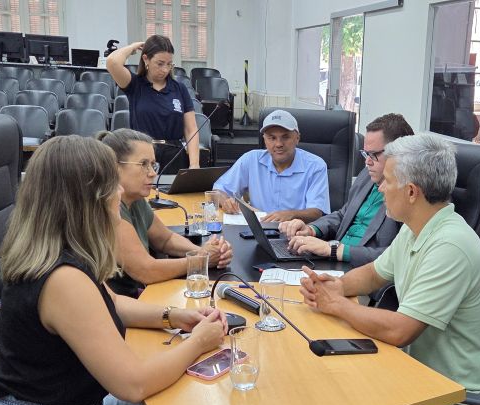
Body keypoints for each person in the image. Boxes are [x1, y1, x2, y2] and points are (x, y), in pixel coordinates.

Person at [0, 135, 228, 405]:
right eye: (111, 185)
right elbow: (133, 384)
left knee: (178, 402)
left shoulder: (60, 252)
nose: (118, 194)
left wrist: (172, 315)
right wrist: (198, 342)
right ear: (88, 198)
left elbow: (113, 305)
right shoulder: (64, 279)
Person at [297, 134, 480, 405]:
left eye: (387, 181)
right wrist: (337, 286)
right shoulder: (417, 228)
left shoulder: (450, 246)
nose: (379, 188)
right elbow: (375, 274)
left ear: (412, 191)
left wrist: (335, 304)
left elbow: (400, 330)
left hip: (454, 400)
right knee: (329, 383)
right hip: (419, 374)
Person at [96, 128, 233, 296]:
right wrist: (199, 261)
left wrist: (202, 251)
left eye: (153, 165)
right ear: (114, 167)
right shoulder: (107, 209)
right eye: (143, 164)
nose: (153, 173)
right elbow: (145, 270)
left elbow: (165, 240)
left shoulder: (136, 199)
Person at [278, 113, 414, 266]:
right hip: (333, 261)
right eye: (365, 154)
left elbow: (398, 257)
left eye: (374, 155)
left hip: (362, 271)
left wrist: (336, 250)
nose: (367, 162)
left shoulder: (410, 195)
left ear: (399, 154)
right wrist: (312, 229)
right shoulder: (367, 175)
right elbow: (344, 215)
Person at [212, 109, 330, 222]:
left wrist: (291, 214)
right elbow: (218, 191)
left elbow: (317, 212)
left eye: (285, 137)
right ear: (264, 140)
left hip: (298, 234)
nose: (278, 144)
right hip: (259, 230)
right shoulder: (251, 159)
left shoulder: (316, 166)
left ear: (297, 138)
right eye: (272, 138)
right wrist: (226, 201)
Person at [107, 35, 201, 173]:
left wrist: (194, 165)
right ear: (146, 59)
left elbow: (191, 130)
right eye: (160, 63)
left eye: (169, 64)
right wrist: (133, 47)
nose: (165, 69)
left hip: (174, 155)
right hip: (143, 155)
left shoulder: (179, 89)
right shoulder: (135, 84)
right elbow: (112, 62)